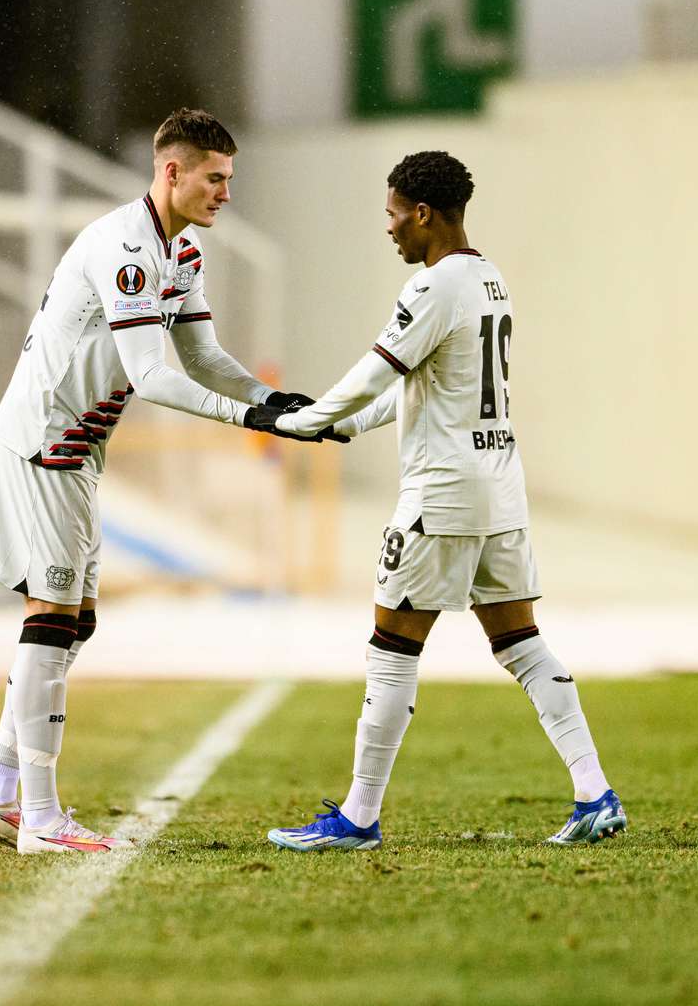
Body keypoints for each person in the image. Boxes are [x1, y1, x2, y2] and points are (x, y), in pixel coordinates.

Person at [0, 107, 338, 854]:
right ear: (172, 172)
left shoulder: (181, 253)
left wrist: (275, 401)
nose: (226, 193)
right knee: (54, 614)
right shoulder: (125, 247)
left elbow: (201, 356)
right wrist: (253, 423)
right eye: (215, 178)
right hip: (44, 442)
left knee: (76, 619)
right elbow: (153, 376)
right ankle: (38, 817)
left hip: (78, 450)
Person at [264, 151, 625, 851]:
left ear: (424, 214)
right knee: (520, 642)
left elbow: (376, 375)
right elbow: (420, 391)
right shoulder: (489, 279)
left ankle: (359, 817)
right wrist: (338, 421)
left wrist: (294, 422)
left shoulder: (433, 289)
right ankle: (593, 790)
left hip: (442, 494)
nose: (391, 230)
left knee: (392, 646)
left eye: (394, 215)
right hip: (499, 487)